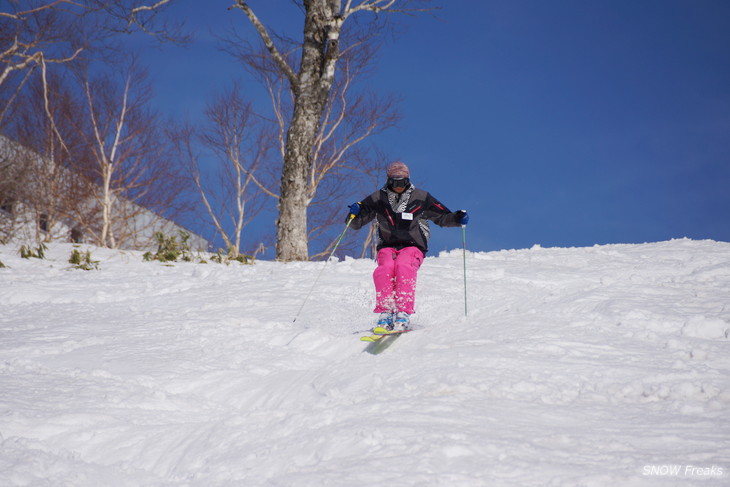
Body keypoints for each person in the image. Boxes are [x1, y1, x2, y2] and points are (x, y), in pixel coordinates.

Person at [347, 161, 469, 331]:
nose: (398, 187)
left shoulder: (421, 197)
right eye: (395, 183)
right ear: (388, 181)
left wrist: (457, 218)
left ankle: (403, 312)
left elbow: (442, 216)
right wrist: (354, 214)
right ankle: (386, 312)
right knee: (385, 269)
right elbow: (355, 223)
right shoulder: (378, 199)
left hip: (413, 246)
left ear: (408, 180)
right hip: (387, 246)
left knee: (404, 266)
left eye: (402, 182)